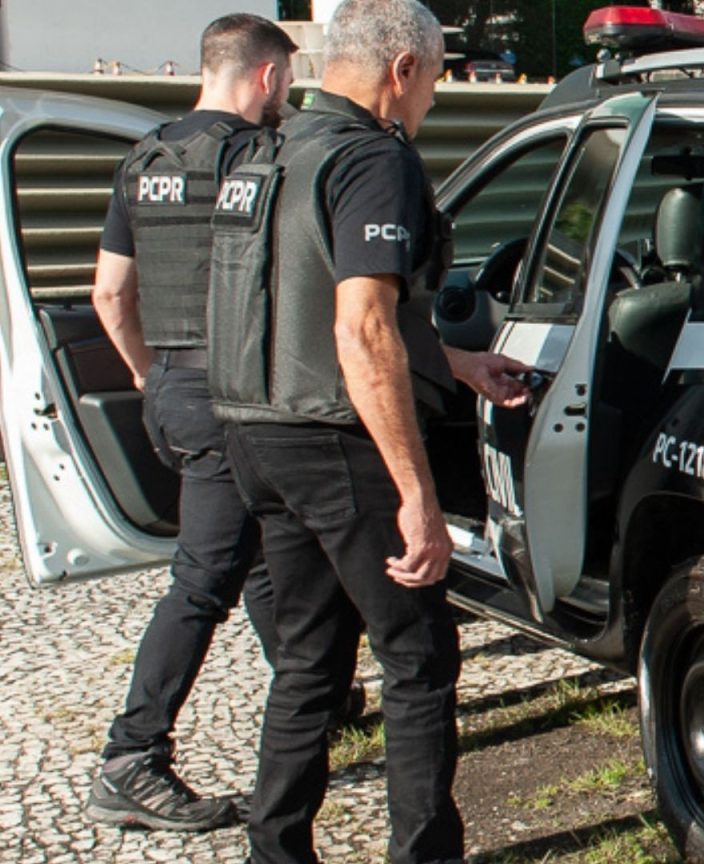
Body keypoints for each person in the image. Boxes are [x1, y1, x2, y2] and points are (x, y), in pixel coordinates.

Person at [204, 0, 529, 859]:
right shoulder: (374, 160)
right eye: (435, 78)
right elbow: (362, 329)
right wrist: (417, 495)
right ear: (401, 69)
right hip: (336, 441)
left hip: (257, 435)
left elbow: (298, 302)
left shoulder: (268, 151)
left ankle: (275, 849)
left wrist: (455, 364)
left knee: (308, 660)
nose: (434, 98)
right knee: (418, 658)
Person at [85, 14, 298, 833]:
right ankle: (131, 758)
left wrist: (150, 374)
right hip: (233, 390)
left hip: (173, 386)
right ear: (267, 76)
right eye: (286, 82)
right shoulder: (258, 157)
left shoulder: (145, 159)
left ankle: (312, 692)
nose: (286, 96)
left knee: (255, 552)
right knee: (204, 579)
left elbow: (110, 294)